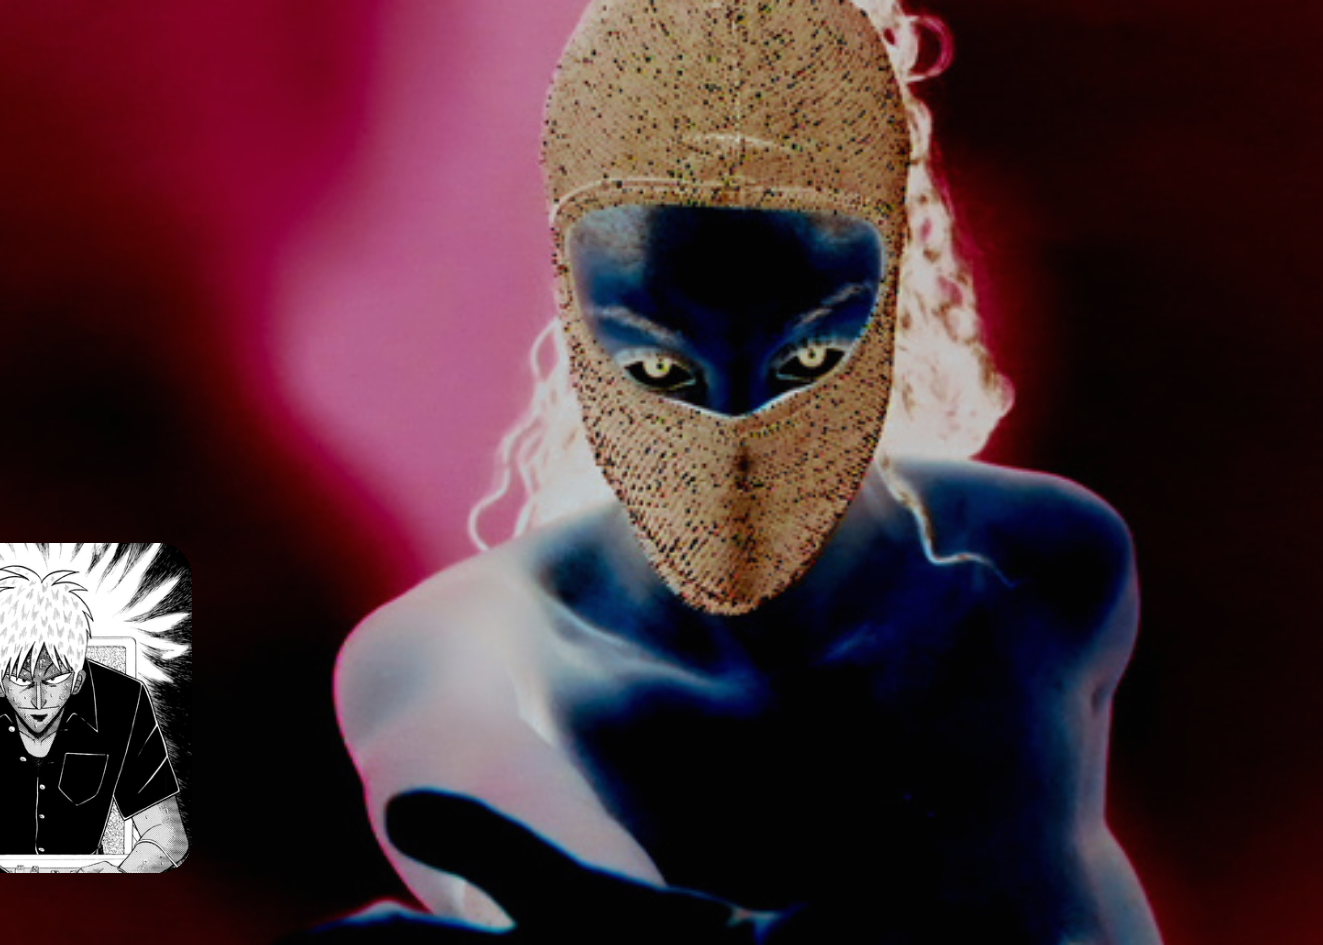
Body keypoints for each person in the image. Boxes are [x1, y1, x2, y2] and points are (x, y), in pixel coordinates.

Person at [328, 0, 1162, 941]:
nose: (738, 468)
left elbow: (1089, 894)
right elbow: (491, 828)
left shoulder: (1044, 569)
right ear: (575, 311)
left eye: (807, 361)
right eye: (661, 371)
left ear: (891, 297)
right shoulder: (469, 653)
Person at [0, 564, 189, 873]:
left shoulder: (124, 701)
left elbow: (169, 837)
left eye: (54, 679)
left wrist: (120, 876)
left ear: (77, 680)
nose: (38, 699)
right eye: (21, 680)